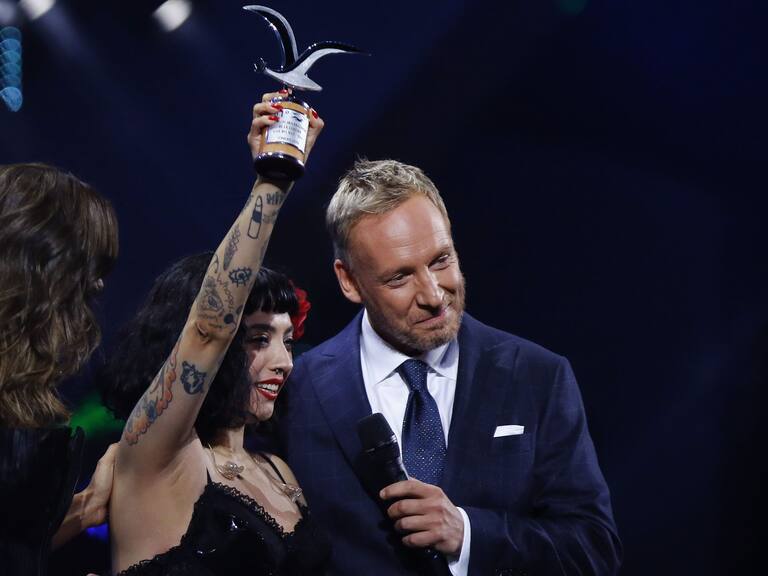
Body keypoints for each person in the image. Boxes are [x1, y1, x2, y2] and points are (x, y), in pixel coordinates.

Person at [276, 159, 622, 575]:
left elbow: (593, 550)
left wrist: (469, 534)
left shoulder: (537, 377)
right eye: (400, 277)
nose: (434, 295)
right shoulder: (299, 389)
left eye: (441, 260)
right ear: (349, 281)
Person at [102, 92, 329, 575]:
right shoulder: (155, 454)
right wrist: (275, 179)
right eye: (258, 338)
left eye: (287, 340)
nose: (285, 361)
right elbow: (208, 329)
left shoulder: (276, 470)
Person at [0, 163, 120, 575]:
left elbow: (14, 543)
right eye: (90, 266)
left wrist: (88, 508)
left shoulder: (24, 387)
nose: (99, 286)